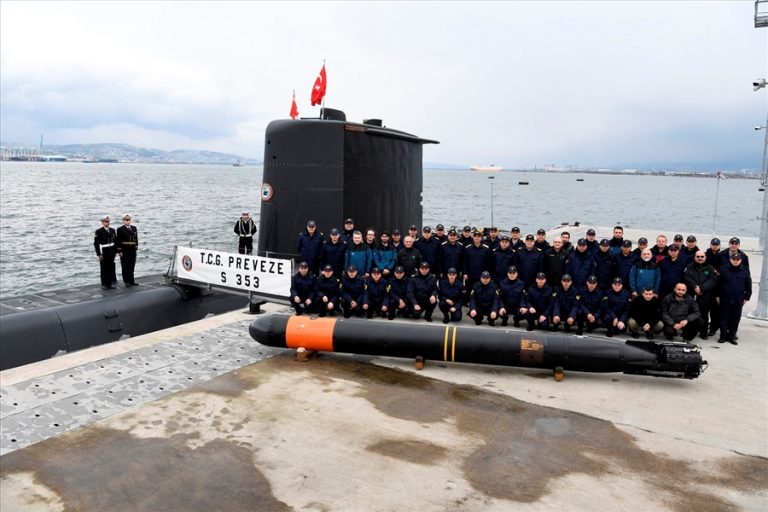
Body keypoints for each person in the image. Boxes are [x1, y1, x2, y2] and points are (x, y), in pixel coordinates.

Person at [716, 252, 752, 345]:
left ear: (740, 260)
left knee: (735, 319)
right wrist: (717, 296)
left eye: (737, 260)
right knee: (723, 318)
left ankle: (732, 336)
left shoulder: (745, 271)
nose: (735, 261)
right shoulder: (723, 269)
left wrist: (746, 297)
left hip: (738, 299)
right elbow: (718, 284)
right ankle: (723, 336)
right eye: (733, 259)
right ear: (730, 259)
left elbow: (748, 285)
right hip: (725, 298)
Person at [683, 250, 717, 340]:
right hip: (691, 294)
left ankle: (703, 333)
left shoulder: (710, 268)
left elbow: (713, 280)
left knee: (704, 314)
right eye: (698, 256)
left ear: (705, 257)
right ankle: (687, 333)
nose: (700, 258)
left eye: (702, 256)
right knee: (689, 314)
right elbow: (686, 278)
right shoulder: (689, 267)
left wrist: (701, 288)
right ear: (695, 257)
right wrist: (695, 286)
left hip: (705, 295)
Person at [94, 214, 117, 290]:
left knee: (110, 268)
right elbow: (96, 244)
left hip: (111, 251)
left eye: (108, 221)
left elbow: (115, 241)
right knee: (104, 268)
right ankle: (104, 284)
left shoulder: (112, 230)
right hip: (104, 251)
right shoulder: (99, 231)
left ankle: (110, 283)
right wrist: (99, 254)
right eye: (106, 222)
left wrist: (116, 251)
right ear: (102, 222)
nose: (107, 223)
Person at [116, 213, 139, 287]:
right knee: (125, 266)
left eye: (129, 220)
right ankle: (126, 281)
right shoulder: (120, 229)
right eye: (126, 220)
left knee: (132, 265)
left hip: (132, 249)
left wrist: (136, 247)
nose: (128, 221)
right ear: (123, 221)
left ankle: (132, 281)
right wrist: (119, 251)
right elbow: (118, 241)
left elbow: (136, 238)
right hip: (125, 249)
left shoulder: (134, 228)